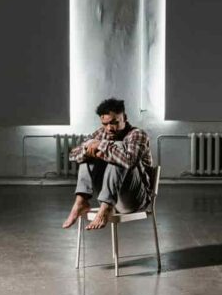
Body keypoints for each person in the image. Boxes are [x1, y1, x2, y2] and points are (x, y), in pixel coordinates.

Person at [62, 98, 155, 230]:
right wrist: (88, 150)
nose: (109, 128)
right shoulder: (101, 133)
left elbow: (130, 161)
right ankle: (81, 201)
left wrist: (102, 146)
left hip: (134, 199)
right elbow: (72, 155)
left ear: (124, 118)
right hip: (110, 194)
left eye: (114, 123)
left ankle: (105, 207)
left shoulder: (137, 134)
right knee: (88, 153)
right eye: (105, 124)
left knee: (116, 147)